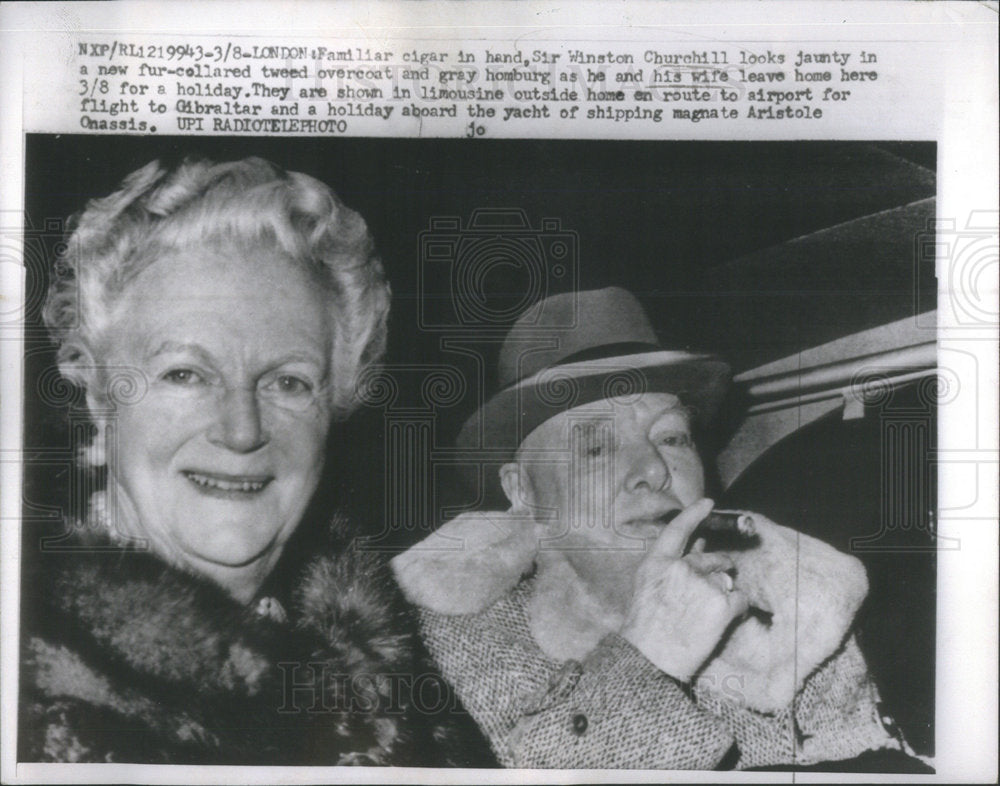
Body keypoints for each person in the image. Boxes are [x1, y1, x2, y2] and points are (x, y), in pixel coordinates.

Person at [19, 156, 484, 765]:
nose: (242, 431)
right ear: (98, 397)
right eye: (184, 373)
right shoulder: (34, 689)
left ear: (337, 403)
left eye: (289, 383)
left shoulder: (400, 681)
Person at [393, 287, 927, 770]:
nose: (653, 469)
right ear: (523, 491)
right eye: (596, 447)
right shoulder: (436, 650)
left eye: (672, 438)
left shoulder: (792, 598)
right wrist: (649, 659)